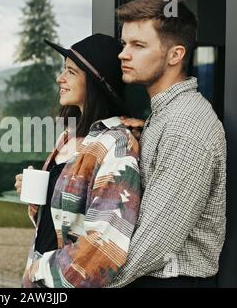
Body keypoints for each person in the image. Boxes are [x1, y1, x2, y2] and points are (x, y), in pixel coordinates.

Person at [108, 0, 226, 288]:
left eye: (138, 45)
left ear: (175, 55)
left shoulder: (186, 125)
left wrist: (90, 282)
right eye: (124, 44)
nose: (123, 54)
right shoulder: (165, 115)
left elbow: (155, 241)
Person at [14, 33, 142, 288]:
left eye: (71, 72)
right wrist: (41, 193)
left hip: (59, 282)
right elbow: (60, 221)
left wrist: (38, 272)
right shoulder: (68, 137)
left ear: (94, 84)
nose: (60, 79)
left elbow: (104, 245)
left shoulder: (116, 145)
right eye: (64, 70)